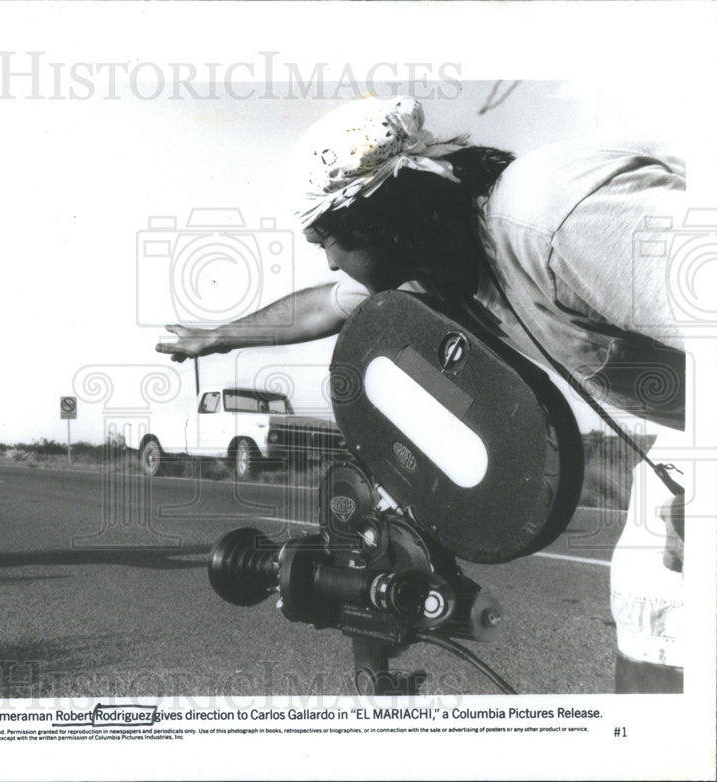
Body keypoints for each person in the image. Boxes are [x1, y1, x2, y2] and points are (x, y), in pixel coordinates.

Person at [156, 96, 691, 693]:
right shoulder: (434, 259)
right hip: (688, 427)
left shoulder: (556, 220)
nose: (330, 262)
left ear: (382, 218)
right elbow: (324, 307)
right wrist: (220, 336)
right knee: (653, 607)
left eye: (328, 239)